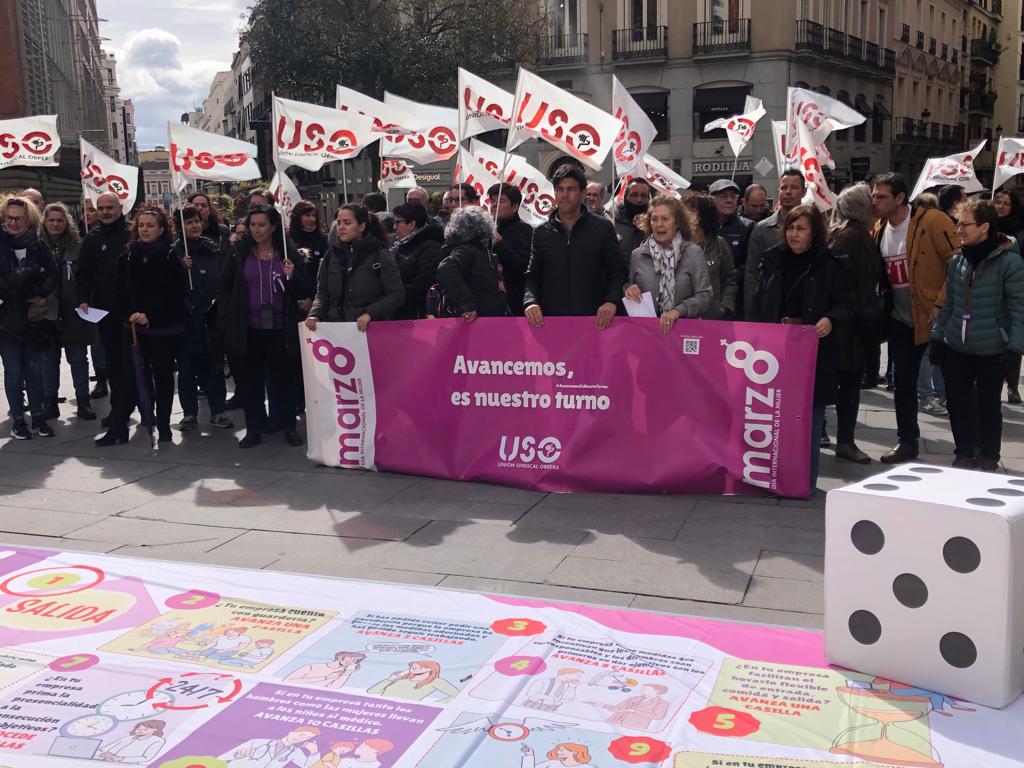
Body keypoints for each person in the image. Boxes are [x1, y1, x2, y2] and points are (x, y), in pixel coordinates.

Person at [750, 204, 849, 488]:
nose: (794, 234)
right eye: (790, 228)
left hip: (813, 347)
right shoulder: (772, 259)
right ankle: (774, 475)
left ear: (814, 232)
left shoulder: (831, 263)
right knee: (773, 411)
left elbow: (845, 302)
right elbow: (759, 300)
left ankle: (805, 479)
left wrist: (830, 318)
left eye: (801, 229)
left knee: (811, 412)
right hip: (775, 346)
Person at [871, 172, 959, 463]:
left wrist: (941, 303)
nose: (874, 201)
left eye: (881, 196)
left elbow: (958, 264)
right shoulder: (879, 227)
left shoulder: (933, 221)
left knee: (954, 383)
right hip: (901, 319)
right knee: (904, 384)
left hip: (935, 317)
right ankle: (907, 441)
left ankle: (967, 448)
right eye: (873, 195)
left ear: (899, 198)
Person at [931, 198, 1024, 470]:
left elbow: (1019, 308)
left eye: (965, 225)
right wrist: (937, 336)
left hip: (991, 346)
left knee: (988, 405)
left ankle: (989, 454)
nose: (959, 230)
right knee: (957, 402)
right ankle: (964, 450)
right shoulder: (958, 260)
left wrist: (1015, 347)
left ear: (984, 227)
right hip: (956, 345)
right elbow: (949, 302)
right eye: (958, 223)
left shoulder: (1010, 262)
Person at [218, 205, 312, 449]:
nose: (256, 229)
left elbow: (304, 291)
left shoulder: (288, 252)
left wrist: (293, 275)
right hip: (249, 328)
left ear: (273, 227)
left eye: (262, 225)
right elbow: (224, 285)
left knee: (284, 380)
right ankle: (254, 428)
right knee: (251, 382)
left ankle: (288, 425)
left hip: (281, 329)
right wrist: (228, 313)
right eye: (253, 225)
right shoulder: (240, 252)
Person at [95, 208, 187, 447]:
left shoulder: (170, 257)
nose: (145, 230)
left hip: (163, 329)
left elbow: (175, 295)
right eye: (141, 225)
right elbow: (119, 291)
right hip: (135, 328)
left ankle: (164, 426)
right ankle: (119, 428)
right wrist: (131, 314)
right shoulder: (127, 257)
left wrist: (151, 315)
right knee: (130, 378)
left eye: (150, 225)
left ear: (161, 229)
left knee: (163, 377)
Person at [524, 164, 627, 330]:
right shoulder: (541, 233)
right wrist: (530, 302)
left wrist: (611, 301)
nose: (564, 195)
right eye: (559, 189)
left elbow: (617, 271)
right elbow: (533, 275)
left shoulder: (602, 228)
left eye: (571, 189)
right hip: (552, 324)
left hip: (595, 323)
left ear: (583, 193)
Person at [828, 183, 884, 464]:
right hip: (848, 324)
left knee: (847, 383)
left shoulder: (853, 233)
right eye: (870, 199)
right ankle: (845, 441)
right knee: (848, 383)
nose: (875, 204)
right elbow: (836, 278)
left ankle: (843, 440)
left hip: (850, 321)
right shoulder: (851, 235)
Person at [0, 195, 58, 439]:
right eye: (9, 218)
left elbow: (52, 272)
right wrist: (31, 276)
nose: (13, 223)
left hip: (34, 319)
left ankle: (38, 417)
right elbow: (6, 284)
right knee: (14, 373)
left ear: (29, 219)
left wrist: (41, 293)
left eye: (18, 219)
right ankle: (18, 420)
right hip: (7, 322)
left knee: (35, 372)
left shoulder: (38, 245)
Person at [174, 204, 232, 432]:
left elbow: (224, 279)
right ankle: (189, 413)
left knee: (214, 367)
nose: (194, 226)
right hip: (186, 319)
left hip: (211, 318)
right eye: (188, 222)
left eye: (197, 221)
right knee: (187, 369)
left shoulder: (213, 248)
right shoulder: (175, 251)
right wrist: (180, 268)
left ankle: (218, 411)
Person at [306, 204, 404, 334]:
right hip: (337, 331)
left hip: (370, 332)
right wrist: (315, 313)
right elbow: (322, 292)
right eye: (339, 223)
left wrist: (370, 313)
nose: (341, 227)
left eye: (347, 223)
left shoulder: (379, 255)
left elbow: (397, 295)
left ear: (362, 226)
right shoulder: (331, 255)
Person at [41, 203, 96, 422]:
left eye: (60, 220)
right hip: (46, 311)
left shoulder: (78, 246)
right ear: (44, 222)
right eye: (51, 220)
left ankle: (83, 401)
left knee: (78, 358)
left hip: (73, 309)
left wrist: (85, 300)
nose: (55, 224)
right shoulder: (37, 246)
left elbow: (85, 277)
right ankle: (50, 402)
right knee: (48, 359)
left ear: (67, 222)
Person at [624, 194, 712, 330]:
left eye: (665, 219)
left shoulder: (693, 252)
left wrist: (678, 310)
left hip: (683, 330)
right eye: (654, 219)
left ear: (677, 223)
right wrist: (627, 288)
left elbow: (705, 296)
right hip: (647, 331)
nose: (659, 224)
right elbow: (629, 286)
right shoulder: (637, 255)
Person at [77, 192, 132, 406]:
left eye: (110, 207)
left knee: (136, 360)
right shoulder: (93, 237)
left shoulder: (131, 234)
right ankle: (118, 408)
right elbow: (83, 272)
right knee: (113, 360)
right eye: (101, 208)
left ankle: (144, 407)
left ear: (120, 209)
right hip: (104, 310)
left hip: (131, 310)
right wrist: (83, 298)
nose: (105, 212)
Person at [743, 170, 806, 317]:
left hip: (803, 308)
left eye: (794, 187)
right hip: (769, 309)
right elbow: (751, 273)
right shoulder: (761, 229)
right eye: (784, 187)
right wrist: (750, 313)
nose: (788, 192)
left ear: (804, 192)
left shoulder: (814, 227)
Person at [437, 206, 507, 321]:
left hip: (488, 321)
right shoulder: (466, 251)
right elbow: (446, 269)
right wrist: (467, 305)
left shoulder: (484, 252)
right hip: (473, 322)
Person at [993, 187, 1024, 403]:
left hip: (1014, 288)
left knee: (1013, 337)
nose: (1001, 207)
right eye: (998, 202)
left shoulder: (1020, 229)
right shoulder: (986, 225)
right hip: (991, 288)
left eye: (1006, 203)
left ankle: (1012, 385)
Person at [684, 192, 737, 319]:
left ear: (702, 215)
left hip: (712, 318)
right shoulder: (675, 243)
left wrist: (723, 307)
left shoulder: (719, 244)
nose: (682, 213)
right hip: (681, 317)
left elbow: (730, 279)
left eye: (689, 210)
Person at [390, 202, 442, 319]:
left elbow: (423, 284)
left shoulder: (430, 248)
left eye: (398, 222)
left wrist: (393, 298)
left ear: (412, 224)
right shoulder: (397, 246)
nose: (394, 227)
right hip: (398, 312)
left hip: (415, 314)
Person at [710, 179, 754, 316]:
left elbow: (750, 264)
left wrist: (729, 276)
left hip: (736, 300)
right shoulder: (702, 227)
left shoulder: (748, 227)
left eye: (733, 196)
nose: (729, 200)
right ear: (711, 199)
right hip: (706, 296)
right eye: (723, 196)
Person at [488, 182, 532, 315]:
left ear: (515, 206)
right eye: (492, 201)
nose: (494, 205)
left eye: (501, 201)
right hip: (488, 302)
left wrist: (500, 244)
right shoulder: (484, 230)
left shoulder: (525, 230)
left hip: (513, 303)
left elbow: (524, 266)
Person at [366, 660, 459, 703]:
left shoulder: (436, 681)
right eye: (412, 667)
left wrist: (434, 705)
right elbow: (372, 691)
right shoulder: (402, 679)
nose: (414, 669)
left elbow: (456, 695)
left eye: (420, 667)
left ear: (431, 669)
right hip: (380, 705)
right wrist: (390, 679)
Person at [586, 683, 670, 730]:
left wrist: (633, 711)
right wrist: (603, 705)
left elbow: (657, 716)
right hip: (614, 722)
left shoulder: (661, 703)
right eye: (642, 688)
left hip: (632, 727)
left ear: (657, 691)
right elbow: (619, 708)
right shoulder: (634, 698)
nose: (641, 690)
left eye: (645, 689)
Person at [289, 201, 329, 290]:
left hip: (317, 291)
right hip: (294, 291)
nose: (311, 219)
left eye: (313, 215)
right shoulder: (289, 240)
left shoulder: (323, 240)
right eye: (307, 215)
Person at [613, 177, 650, 265]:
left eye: (643, 196)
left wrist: (647, 228)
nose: (639, 200)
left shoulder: (655, 223)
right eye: (634, 195)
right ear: (625, 197)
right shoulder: (612, 221)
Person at [284, 651, 366, 689]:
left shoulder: (341, 673)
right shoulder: (311, 667)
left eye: (356, 660)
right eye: (351, 658)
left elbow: (334, 688)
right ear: (340, 657)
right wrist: (325, 678)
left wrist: (347, 673)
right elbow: (289, 681)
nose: (353, 661)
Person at [97, 720, 166, 764]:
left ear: (155, 730)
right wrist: (102, 753)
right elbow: (104, 749)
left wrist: (121, 759)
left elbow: (146, 758)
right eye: (138, 729)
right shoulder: (128, 738)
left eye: (145, 729)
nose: (140, 731)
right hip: (107, 761)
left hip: (127, 765)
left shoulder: (157, 740)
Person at [188, 190, 230, 254]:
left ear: (210, 210)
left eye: (204, 205)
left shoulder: (223, 231)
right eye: (196, 205)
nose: (200, 208)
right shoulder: (185, 234)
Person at [520, 743, 595, 768]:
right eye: (557, 750)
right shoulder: (551, 764)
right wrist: (529, 755)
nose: (558, 752)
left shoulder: (589, 767)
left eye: (561, 750)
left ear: (574, 752)